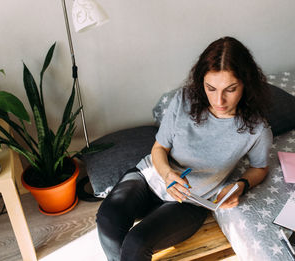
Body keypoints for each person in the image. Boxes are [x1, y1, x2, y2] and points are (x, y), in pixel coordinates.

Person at [96, 36, 273, 261]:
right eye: (211, 88)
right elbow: (159, 148)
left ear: (245, 84)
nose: (219, 100)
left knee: (137, 242)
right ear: (201, 83)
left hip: (192, 200)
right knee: (108, 218)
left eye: (231, 89)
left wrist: (241, 185)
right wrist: (168, 174)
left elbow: (259, 168)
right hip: (152, 176)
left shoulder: (256, 128)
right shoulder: (183, 100)